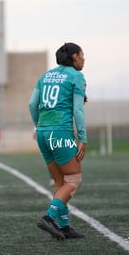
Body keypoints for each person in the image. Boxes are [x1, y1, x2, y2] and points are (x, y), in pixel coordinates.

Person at [29, 42, 87, 240]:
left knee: (59, 181)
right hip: (60, 133)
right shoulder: (76, 76)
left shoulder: (45, 76)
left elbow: (32, 104)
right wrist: (83, 138)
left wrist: (39, 125)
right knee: (74, 180)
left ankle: (63, 227)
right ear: (74, 57)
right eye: (82, 55)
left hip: (44, 133)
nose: (84, 59)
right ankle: (49, 217)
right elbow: (78, 110)